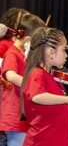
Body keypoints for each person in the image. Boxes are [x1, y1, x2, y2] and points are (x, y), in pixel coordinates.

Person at [0, 14, 45, 146]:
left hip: (25, 115)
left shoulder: (25, 55)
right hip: (15, 116)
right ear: (28, 39)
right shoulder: (12, 53)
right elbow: (11, 76)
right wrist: (34, 85)